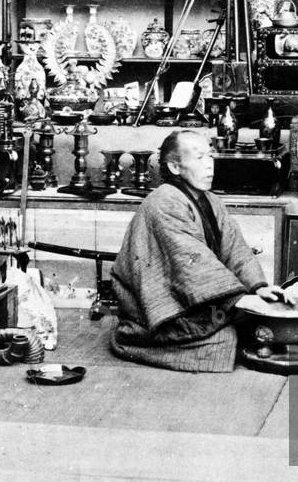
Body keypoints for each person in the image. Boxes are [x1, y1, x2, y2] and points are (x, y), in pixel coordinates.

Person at [109, 130, 287, 372]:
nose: (209, 166)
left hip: (200, 297)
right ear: (174, 167)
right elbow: (190, 259)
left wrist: (259, 287)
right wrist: (239, 300)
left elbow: (235, 249)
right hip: (164, 308)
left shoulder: (211, 200)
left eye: (210, 156)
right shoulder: (163, 201)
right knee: (227, 339)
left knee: (264, 319)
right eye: (200, 158)